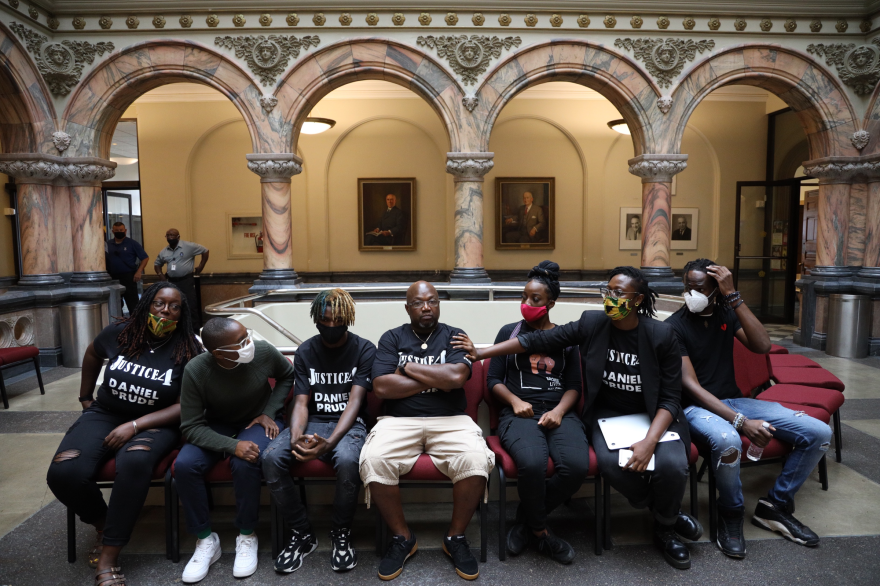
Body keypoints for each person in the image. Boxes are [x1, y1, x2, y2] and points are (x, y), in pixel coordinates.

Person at [455, 267, 702, 570]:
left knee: (673, 466)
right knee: (613, 466)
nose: (610, 298)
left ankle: (665, 527)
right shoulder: (593, 323)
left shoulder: (662, 334)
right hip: (610, 417)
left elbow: (670, 398)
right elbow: (537, 342)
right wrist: (482, 354)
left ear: (637, 300)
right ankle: (666, 514)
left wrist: (650, 441)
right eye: (607, 291)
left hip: (656, 417)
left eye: (619, 293)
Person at [667, 259, 831, 558]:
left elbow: (762, 345)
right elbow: (691, 387)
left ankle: (775, 506)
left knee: (819, 432)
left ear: (716, 290)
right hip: (694, 408)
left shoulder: (725, 313)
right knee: (728, 441)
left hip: (733, 399)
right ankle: (731, 513)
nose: (693, 294)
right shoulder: (673, 327)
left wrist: (734, 298)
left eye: (700, 288)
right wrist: (741, 422)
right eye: (688, 287)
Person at [46, 282, 202, 586]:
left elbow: (187, 406)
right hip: (105, 413)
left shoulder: (189, 348)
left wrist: (134, 426)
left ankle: (109, 556)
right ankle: (105, 524)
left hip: (157, 422)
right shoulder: (120, 334)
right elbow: (92, 353)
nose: (165, 311)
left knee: (134, 462)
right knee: (64, 472)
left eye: (174, 306)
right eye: (158, 304)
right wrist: (85, 398)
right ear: (146, 305)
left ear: (183, 313)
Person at [360, 281, 494, 581]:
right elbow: (381, 386)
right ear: (408, 307)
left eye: (432, 301)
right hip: (398, 421)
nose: (426, 307)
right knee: (374, 459)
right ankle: (403, 537)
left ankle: (456, 538)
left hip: (450, 419)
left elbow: (458, 376)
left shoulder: (454, 336)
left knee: (475, 459)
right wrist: (439, 378)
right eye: (419, 303)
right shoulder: (392, 338)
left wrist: (406, 367)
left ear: (438, 304)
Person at [465, 261, 588, 563]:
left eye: (535, 299)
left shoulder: (566, 338)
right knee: (531, 464)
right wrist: (514, 401)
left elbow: (574, 385)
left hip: (560, 413)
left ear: (551, 304)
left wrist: (559, 411)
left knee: (575, 467)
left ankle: (526, 521)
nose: (527, 304)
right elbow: (492, 379)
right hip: (518, 415)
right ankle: (542, 533)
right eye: (524, 297)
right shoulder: (510, 332)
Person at [262, 288, 376, 574]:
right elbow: (301, 401)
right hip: (311, 421)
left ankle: (341, 533)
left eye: (337, 321)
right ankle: (302, 533)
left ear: (348, 320)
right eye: (324, 321)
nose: (330, 327)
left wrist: (331, 442)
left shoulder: (364, 349)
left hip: (349, 425)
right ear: (315, 320)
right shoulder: (306, 350)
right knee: (272, 457)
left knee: (349, 460)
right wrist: (297, 435)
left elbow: (356, 400)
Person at [175, 317, 294, 583]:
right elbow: (191, 426)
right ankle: (206, 541)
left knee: (247, 461)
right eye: (239, 343)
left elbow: (287, 375)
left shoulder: (262, 351)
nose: (248, 344)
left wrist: (269, 412)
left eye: (246, 337)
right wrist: (232, 445)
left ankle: (247, 534)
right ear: (217, 353)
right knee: (184, 466)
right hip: (218, 424)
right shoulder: (196, 370)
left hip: (258, 421)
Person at [154, 229, 209, 327]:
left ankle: (194, 331)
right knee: (174, 306)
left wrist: (201, 266)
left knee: (190, 306)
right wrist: (160, 275)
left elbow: (205, 250)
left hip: (186, 281)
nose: (170, 237)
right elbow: (157, 264)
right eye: (168, 235)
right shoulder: (164, 251)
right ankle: (177, 329)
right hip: (171, 283)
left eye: (173, 235)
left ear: (178, 236)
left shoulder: (189, 246)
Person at [105, 222, 149, 316]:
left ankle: (136, 325)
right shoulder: (108, 244)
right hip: (113, 278)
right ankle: (119, 325)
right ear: (113, 231)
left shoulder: (132, 243)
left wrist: (139, 271)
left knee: (132, 303)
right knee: (115, 303)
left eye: (121, 230)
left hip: (129, 277)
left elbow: (145, 258)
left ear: (125, 231)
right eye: (116, 231)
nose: (119, 232)